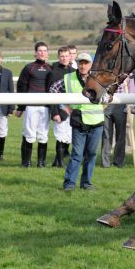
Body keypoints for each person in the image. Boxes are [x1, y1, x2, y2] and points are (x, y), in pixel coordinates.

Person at [49, 52, 104, 191]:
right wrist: (63, 106)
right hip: (78, 120)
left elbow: (114, 92)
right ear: (77, 64)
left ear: (91, 65)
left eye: (86, 63)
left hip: (96, 121)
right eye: (81, 63)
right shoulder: (68, 78)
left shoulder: (98, 78)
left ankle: (86, 183)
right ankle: (69, 184)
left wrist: (106, 106)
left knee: (91, 154)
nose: (83, 65)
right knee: (77, 154)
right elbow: (52, 90)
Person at [16, 42, 52, 168]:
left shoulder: (50, 68)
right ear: (36, 52)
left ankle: (41, 162)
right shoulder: (28, 67)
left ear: (47, 53)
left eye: (44, 50)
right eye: (40, 50)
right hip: (31, 106)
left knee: (43, 134)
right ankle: (26, 162)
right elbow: (21, 87)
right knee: (29, 133)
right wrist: (20, 107)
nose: (42, 53)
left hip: (45, 107)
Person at [47, 47, 75, 167]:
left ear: (70, 57)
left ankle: (57, 161)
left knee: (68, 136)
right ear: (58, 57)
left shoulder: (74, 71)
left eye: (66, 56)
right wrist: (54, 113)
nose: (64, 58)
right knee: (60, 137)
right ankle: (60, 162)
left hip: (72, 109)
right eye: (62, 56)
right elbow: (51, 94)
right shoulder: (53, 72)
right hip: (60, 109)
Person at [101, 78, 135, 168]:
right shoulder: (106, 72)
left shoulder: (128, 75)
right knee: (106, 135)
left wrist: (131, 106)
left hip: (121, 104)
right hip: (107, 104)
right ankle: (106, 162)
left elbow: (131, 90)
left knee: (120, 136)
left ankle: (118, 161)